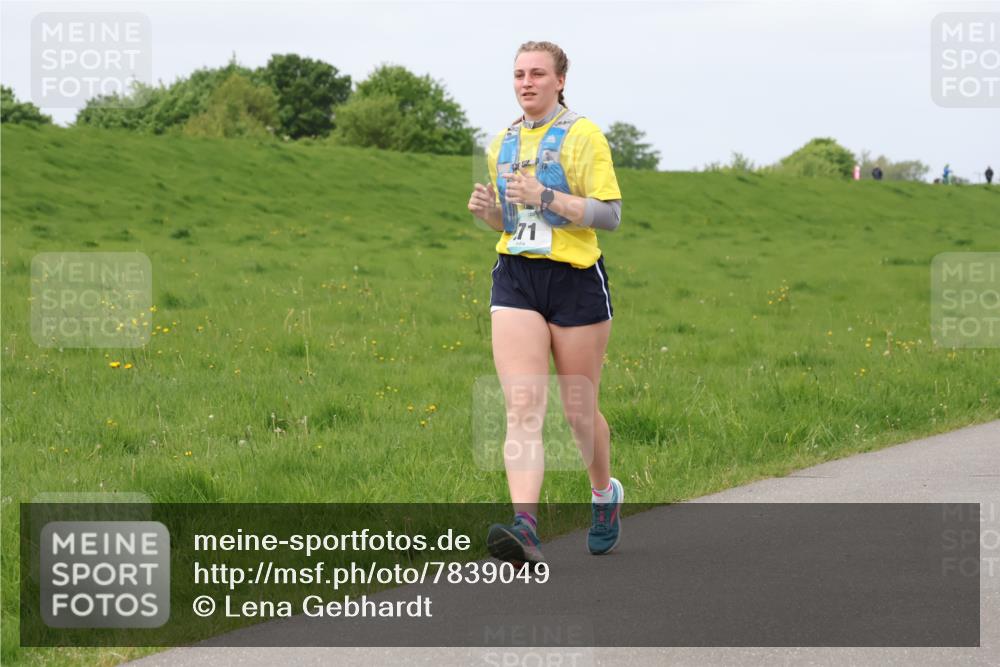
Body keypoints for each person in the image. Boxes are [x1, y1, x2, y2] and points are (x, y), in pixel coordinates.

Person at [467, 40, 624, 567]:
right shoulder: (502, 142)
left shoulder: (584, 135)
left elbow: (610, 215)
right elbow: (512, 223)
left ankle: (604, 495)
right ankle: (525, 528)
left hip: (575, 280)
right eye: (519, 74)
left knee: (579, 411)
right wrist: (489, 213)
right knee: (522, 405)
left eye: (537, 73)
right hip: (516, 277)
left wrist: (547, 196)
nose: (526, 82)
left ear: (560, 80)